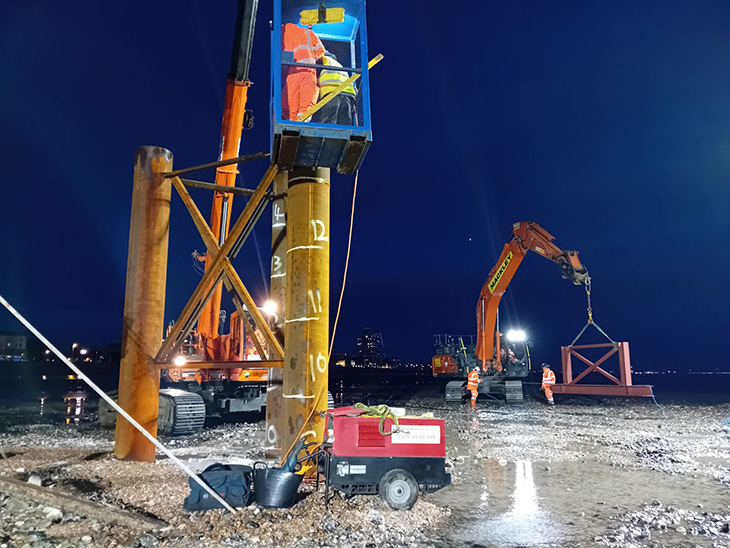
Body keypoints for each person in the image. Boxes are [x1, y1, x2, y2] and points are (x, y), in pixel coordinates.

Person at [282, 22, 325, 121]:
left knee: (290, 105)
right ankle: (303, 122)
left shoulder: (281, 37)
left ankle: (291, 125)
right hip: (308, 71)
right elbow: (320, 51)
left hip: (291, 75)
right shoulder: (307, 32)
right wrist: (311, 58)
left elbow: (282, 61)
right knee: (306, 102)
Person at [313, 52, 357, 125]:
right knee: (344, 122)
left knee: (329, 120)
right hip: (348, 94)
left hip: (332, 92)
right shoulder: (339, 65)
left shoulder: (322, 59)